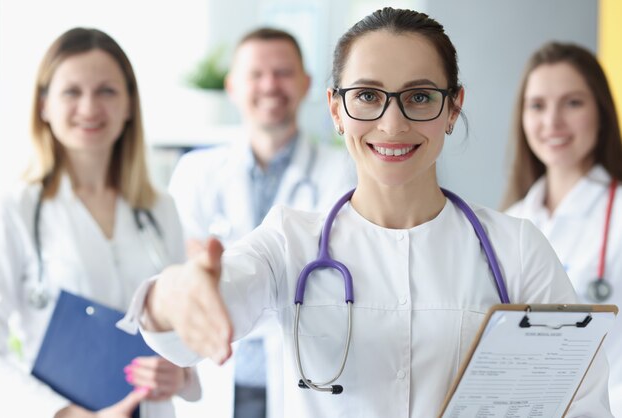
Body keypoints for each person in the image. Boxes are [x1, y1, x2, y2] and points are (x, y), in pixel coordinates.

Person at [122, 8, 612, 417]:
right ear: (336, 109)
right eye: (368, 97)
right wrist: (174, 294)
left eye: (420, 97)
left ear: (453, 107)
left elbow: (582, 403)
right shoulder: (288, 243)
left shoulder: (519, 248)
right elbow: (185, 329)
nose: (392, 123)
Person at [0, 28, 201, 417]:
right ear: (44, 105)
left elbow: (183, 332)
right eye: (72, 92)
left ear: (128, 106)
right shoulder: (14, 208)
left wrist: (183, 375)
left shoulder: (160, 209)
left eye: (106, 91)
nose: (90, 108)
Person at [168, 28, 355, 418]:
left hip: (306, 374)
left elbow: (333, 282)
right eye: (256, 74)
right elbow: (184, 274)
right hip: (217, 376)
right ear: (232, 86)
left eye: (283, 72)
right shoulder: (195, 172)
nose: (270, 85)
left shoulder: (344, 173)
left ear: (305, 84)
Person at [502, 41, 622, 415]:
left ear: (601, 111)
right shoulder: (510, 221)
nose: (552, 122)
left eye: (572, 103)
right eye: (537, 105)